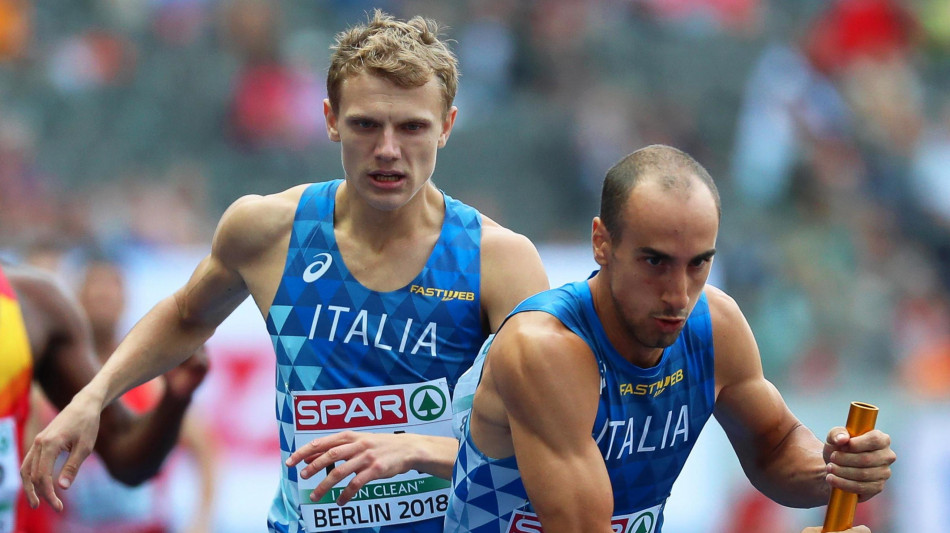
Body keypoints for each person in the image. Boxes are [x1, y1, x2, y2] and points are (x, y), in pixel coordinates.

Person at [20, 9, 549, 533]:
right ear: (329, 120)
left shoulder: (498, 259)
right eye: (365, 124)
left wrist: (420, 448)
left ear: (447, 127)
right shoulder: (268, 231)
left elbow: (554, 441)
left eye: (413, 127)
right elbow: (186, 316)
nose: (388, 151)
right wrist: (91, 398)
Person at [443, 145, 896, 532]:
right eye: (655, 262)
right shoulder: (545, 347)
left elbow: (776, 448)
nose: (679, 295)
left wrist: (836, 468)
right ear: (602, 242)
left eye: (698, 263)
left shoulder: (713, 324)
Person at [1, 261, 207, 532]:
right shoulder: (40, 397)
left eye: (111, 289)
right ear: (81, 297)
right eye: (95, 289)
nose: (103, 297)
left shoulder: (36, 307)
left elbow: (127, 456)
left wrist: (174, 399)